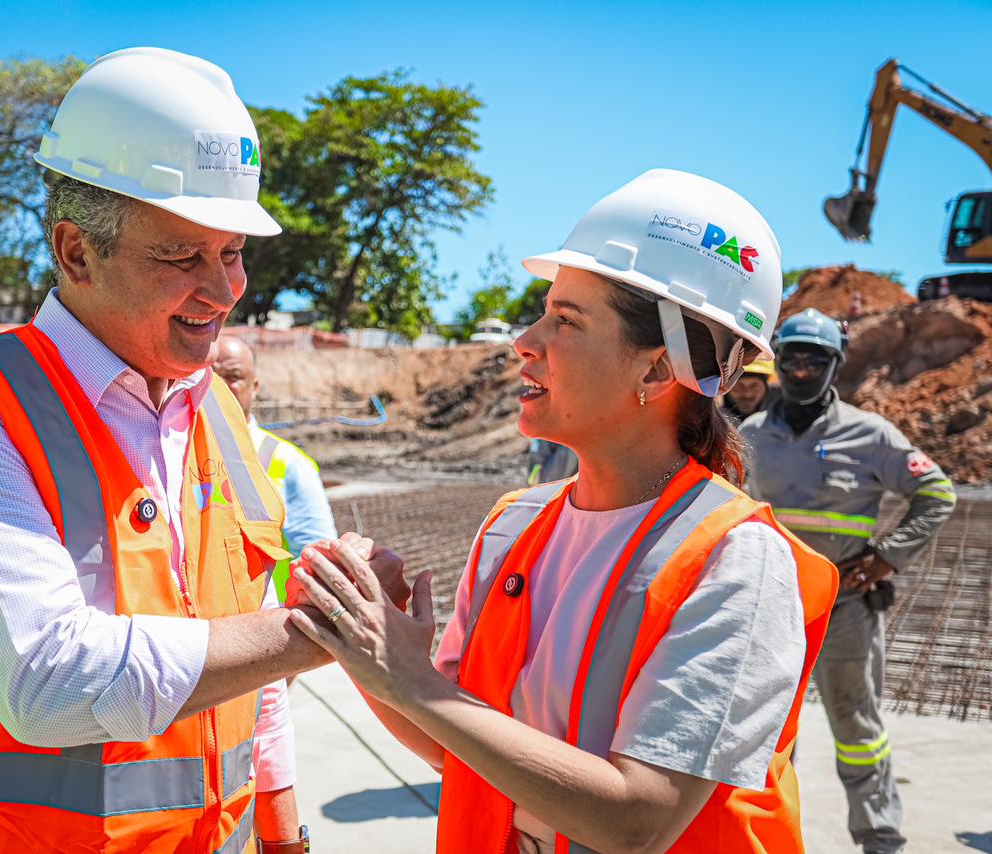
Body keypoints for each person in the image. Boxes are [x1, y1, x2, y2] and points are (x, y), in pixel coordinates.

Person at [0, 48, 407, 854]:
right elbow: (47, 685)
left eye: (232, 252)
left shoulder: (219, 411)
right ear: (76, 251)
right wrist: (329, 627)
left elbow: (244, 646)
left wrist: (279, 824)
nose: (226, 289)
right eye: (182, 256)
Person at [286, 169, 839, 853]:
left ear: (658, 370)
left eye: (566, 320)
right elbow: (456, 745)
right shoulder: (514, 526)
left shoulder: (737, 560)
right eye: (544, 310)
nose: (525, 338)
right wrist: (366, 645)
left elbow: (638, 818)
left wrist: (413, 680)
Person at [740, 308, 956, 854]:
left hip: (844, 607)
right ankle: (761, 838)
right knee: (760, 731)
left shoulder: (871, 434)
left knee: (857, 729)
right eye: (794, 358)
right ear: (778, 362)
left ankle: (880, 837)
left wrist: (889, 556)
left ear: (835, 365)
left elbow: (937, 494)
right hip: (772, 610)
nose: (804, 369)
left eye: (818, 359)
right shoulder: (751, 435)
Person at [212, 336, 338, 602]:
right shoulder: (175, 450)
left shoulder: (287, 463)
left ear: (254, 387)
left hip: (266, 627)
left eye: (232, 376)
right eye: (210, 376)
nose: (219, 386)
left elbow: (319, 561)